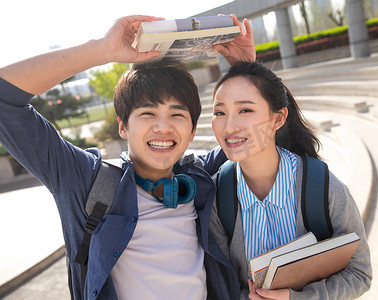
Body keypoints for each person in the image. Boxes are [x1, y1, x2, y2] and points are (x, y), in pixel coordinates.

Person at [0, 14, 255, 299]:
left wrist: (246, 68)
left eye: (177, 114)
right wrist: (103, 50)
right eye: (147, 113)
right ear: (122, 126)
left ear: (193, 129)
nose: (163, 127)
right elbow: (4, 99)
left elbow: (264, 131)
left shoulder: (200, 177)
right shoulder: (85, 180)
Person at [208, 61, 372, 300]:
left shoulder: (323, 187)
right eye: (219, 112)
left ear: (278, 119)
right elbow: (223, 288)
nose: (229, 126)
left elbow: (360, 273)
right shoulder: (216, 197)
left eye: (245, 110)